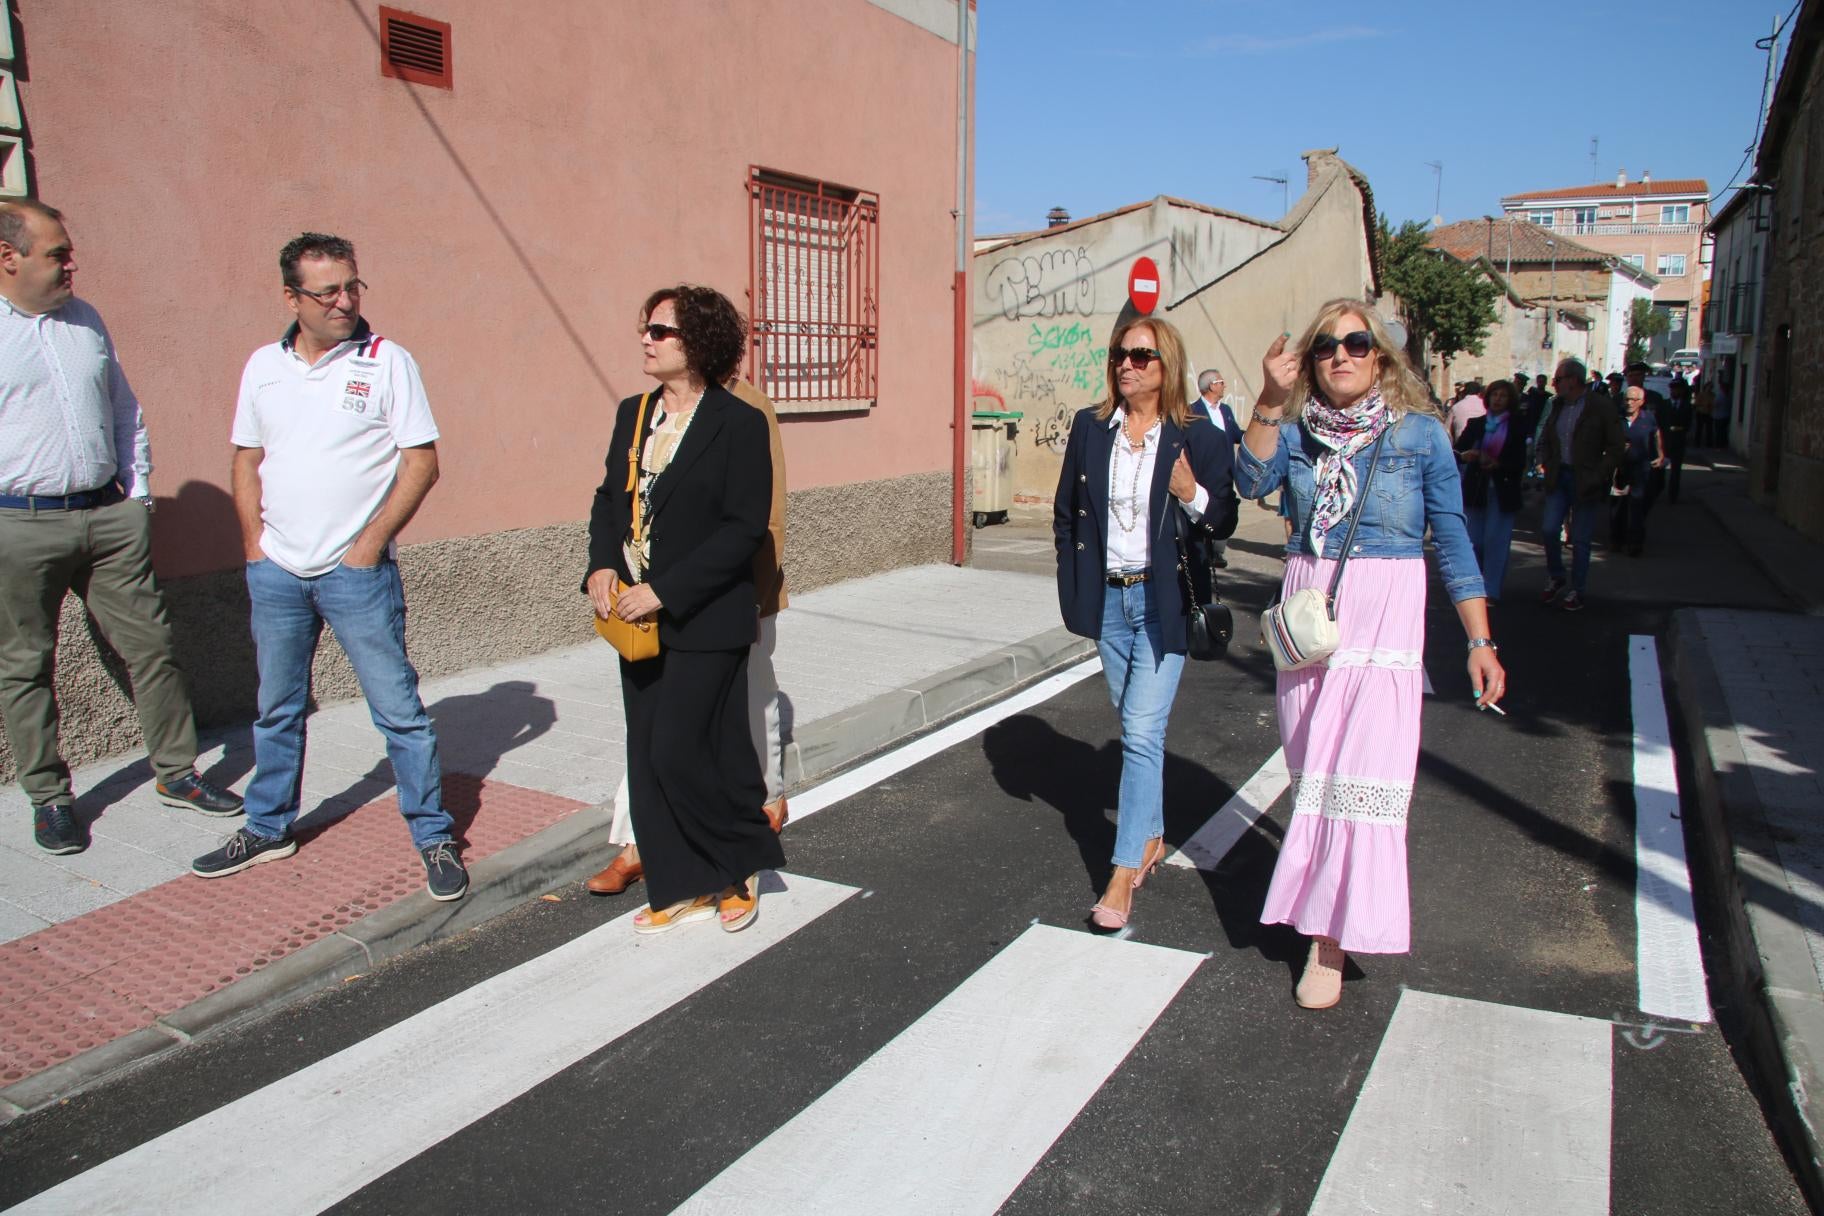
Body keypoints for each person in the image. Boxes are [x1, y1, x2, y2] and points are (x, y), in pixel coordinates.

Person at [1237, 301, 1503, 1010]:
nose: (1341, 355)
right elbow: (1250, 482)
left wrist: (1479, 639)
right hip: (1309, 616)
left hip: (1384, 617)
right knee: (1313, 777)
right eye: (1326, 345)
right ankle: (1322, 905)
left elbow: (1451, 537)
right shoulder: (1295, 432)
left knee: (1362, 781)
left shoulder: (1419, 436)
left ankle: (1328, 938)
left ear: (1381, 356)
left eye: (1357, 343)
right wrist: (1268, 397)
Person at [193, 233, 465, 900]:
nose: (345, 301)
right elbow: (246, 458)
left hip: (357, 575)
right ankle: (267, 827)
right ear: (292, 298)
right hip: (278, 572)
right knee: (276, 710)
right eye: (328, 291)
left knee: (399, 713)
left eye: (352, 287)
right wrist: (254, 543)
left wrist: (369, 544)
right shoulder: (262, 366)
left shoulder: (386, 361)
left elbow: (422, 463)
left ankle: (434, 835)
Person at [0, 200, 242, 856]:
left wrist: (136, 497)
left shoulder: (85, 321)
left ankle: (177, 773)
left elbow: (124, 408)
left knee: (153, 645)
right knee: (24, 665)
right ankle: (50, 798)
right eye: (57, 253)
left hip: (108, 518)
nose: (71, 263)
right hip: (19, 524)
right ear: (9, 257)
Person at [585, 285, 783, 933]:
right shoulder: (632, 414)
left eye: (661, 331)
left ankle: (736, 867)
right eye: (646, 328)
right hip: (636, 618)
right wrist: (601, 566)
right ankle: (683, 883)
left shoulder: (739, 423)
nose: (647, 338)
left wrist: (666, 590)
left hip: (705, 613)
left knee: (687, 748)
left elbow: (743, 527)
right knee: (646, 754)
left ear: (697, 342)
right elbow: (609, 501)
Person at [1054, 316, 1237, 931]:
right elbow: (1065, 517)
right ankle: (1154, 831)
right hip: (1108, 602)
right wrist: (1072, 584)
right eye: (1119, 355)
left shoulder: (1197, 439)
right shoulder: (1089, 429)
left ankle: (1123, 871)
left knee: (1138, 731)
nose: (1126, 365)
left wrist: (1191, 494)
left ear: (1167, 366)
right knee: (1137, 731)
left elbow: (1225, 521)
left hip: (1165, 604)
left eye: (1141, 356)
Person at [1537, 357, 1626, 613]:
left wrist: (1600, 473)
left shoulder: (1600, 407)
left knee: (1581, 538)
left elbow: (1616, 445)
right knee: (1550, 529)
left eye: (1558, 379)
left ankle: (1578, 588)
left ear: (1573, 381)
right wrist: (1543, 460)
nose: (1554, 384)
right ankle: (1556, 575)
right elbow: (1545, 436)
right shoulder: (1557, 405)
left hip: (1585, 478)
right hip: (1559, 475)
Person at [1453, 379, 1527, 603]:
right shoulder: (1477, 424)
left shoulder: (1516, 425)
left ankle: (1491, 589)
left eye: (1503, 396)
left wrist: (1499, 464)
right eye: (1494, 394)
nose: (1497, 399)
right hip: (1477, 487)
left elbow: (1520, 460)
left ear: (1510, 400)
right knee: (1475, 540)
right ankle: (1474, 584)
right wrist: (1468, 455)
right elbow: (1457, 450)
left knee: (1496, 540)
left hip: (1502, 488)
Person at [1191, 367, 1243, 568]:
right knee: (1201, 511)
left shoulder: (1226, 411)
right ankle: (1200, 550)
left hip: (1225, 474)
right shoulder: (1193, 412)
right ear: (1211, 385)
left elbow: (1238, 435)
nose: (1224, 385)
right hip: (1202, 475)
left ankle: (1217, 552)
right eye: (1221, 382)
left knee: (1223, 510)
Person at [1609, 386, 1666, 557]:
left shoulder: (1648, 418)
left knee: (1637, 506)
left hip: (1641, 468)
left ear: (1641, 401)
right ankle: (1617, 540)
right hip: (1619, 468)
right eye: (1627, 399)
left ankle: (1635, 543)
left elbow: (1656, 433)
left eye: (1634, 399)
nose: (1629, 403)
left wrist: (1661, 454)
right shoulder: (1615, 417)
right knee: (1617, 507)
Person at [1659, 377, 1693, 503]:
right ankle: (1658, 489)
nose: (1675, 391)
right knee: (1659, 469)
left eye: (1678, 389)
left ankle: (1673, 495)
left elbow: (1688, 424)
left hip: (1678, 441)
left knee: (1676, 471)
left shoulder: (1686, 406)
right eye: (1673, 389)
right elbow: (1659, 422)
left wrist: (1684, 434)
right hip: (1664, 441)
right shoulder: (1664, 404)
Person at [1692, 376, 1717, 447]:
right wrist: (1702, 406)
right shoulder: (1701, 394)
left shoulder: (1712, 395)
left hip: (1709, 413)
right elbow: (1696, 403)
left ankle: (1709, 443)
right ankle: (1697, 443)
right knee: (1699, 428)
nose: (1709, 388)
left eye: (1711, 387)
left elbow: (1714, 403)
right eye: (1708, 387)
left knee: (1709, 429)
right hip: (1701, 412)